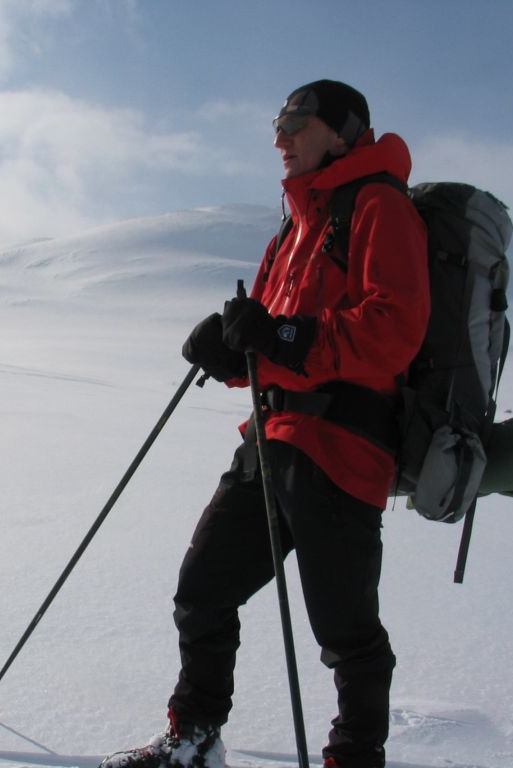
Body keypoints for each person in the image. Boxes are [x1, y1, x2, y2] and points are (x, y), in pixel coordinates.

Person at [99, 80, 431, 768]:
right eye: (277, 124)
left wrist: (278, 337)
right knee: (201, 591)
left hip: (342, 449)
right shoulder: (295, 224)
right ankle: (194, 737)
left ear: (341, 132)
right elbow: (272, 346)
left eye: (296, 123)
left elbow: (392, 329)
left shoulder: (379, 206)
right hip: (269, 442)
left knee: (346, 633)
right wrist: (230, 351)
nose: (279, 137)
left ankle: (355, 756)